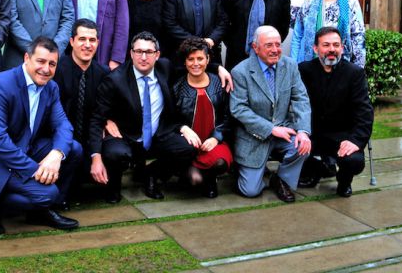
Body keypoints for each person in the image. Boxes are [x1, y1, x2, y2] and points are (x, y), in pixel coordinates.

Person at [0, 37, 81, 234]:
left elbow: (63, 124)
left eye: (52, 64)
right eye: (41, 61)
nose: (46, 69)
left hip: (23, 148)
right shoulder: (0, 85)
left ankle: (40, 212)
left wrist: (56, 154)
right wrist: (36, 170)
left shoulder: (51, 87)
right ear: (26, 58)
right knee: (48, 193)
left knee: (72, 148)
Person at [88, 32, 195, 203]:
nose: (143, 57)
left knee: (187, 148)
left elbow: (191, 68)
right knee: (115, 153)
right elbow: (96, 118)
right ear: (131, 53)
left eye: (149, 52)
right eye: (138, 51)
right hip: (125, 136)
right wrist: (95, 156)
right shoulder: (115, 80)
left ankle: (151, 174)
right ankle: (113, 186)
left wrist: (217, 68)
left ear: (157, 55)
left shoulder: (165, 68)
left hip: (157, 134)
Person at [230, 26, 311, 203]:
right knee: (250, 190)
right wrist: (271, 129)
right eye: (269, 45)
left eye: (278, 44)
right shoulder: (240, 72)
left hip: (284, 130)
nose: (275, 50)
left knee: (302, 146)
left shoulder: (289, 65)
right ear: (255, 47)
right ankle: (255, 174)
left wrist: (303, 131)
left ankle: (281, 179)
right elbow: (239, 109)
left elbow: (301, 99)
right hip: (254, 135)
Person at [298, 27, 373, 197]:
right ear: (315, 49)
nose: (332, 49)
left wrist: (355, 141)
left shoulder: (355, 73)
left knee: (353, 160)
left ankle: (344, 180)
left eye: (336, 45)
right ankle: (318, 169)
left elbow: (365, 112)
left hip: (341, 136)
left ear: (342, 48)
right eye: (326, 45)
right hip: (312, 133)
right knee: (286, 148)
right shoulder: (303, 70)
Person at [53, 19, 110, 198]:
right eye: (82, 39)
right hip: (60, 140)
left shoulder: (104, 73)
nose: (87, 45)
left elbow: (100, 115)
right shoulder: (57, 70)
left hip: (89, 141)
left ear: (98, 43)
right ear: (72, 42)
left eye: (92, 40)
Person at [172, 37, 233, 198]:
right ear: (185, 62)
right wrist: (182, 129)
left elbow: (228, 117)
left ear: (208, 60)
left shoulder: (219, 84)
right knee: (194, 181)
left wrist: (216, 137)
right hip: (189, 145)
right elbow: (170, 118)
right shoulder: (176, 87)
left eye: (200, 58)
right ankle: (190, 173)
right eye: (190, 59)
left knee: (220, 163)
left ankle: (211, 178)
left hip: (213, 142)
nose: (196, 63)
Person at [291, 0, 366, 68]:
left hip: (342, 65)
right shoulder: (309, 2)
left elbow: (358, 36)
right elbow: (297, 36)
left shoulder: (350, 1)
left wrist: (359, 68)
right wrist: (294, 65)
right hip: (312, 65)